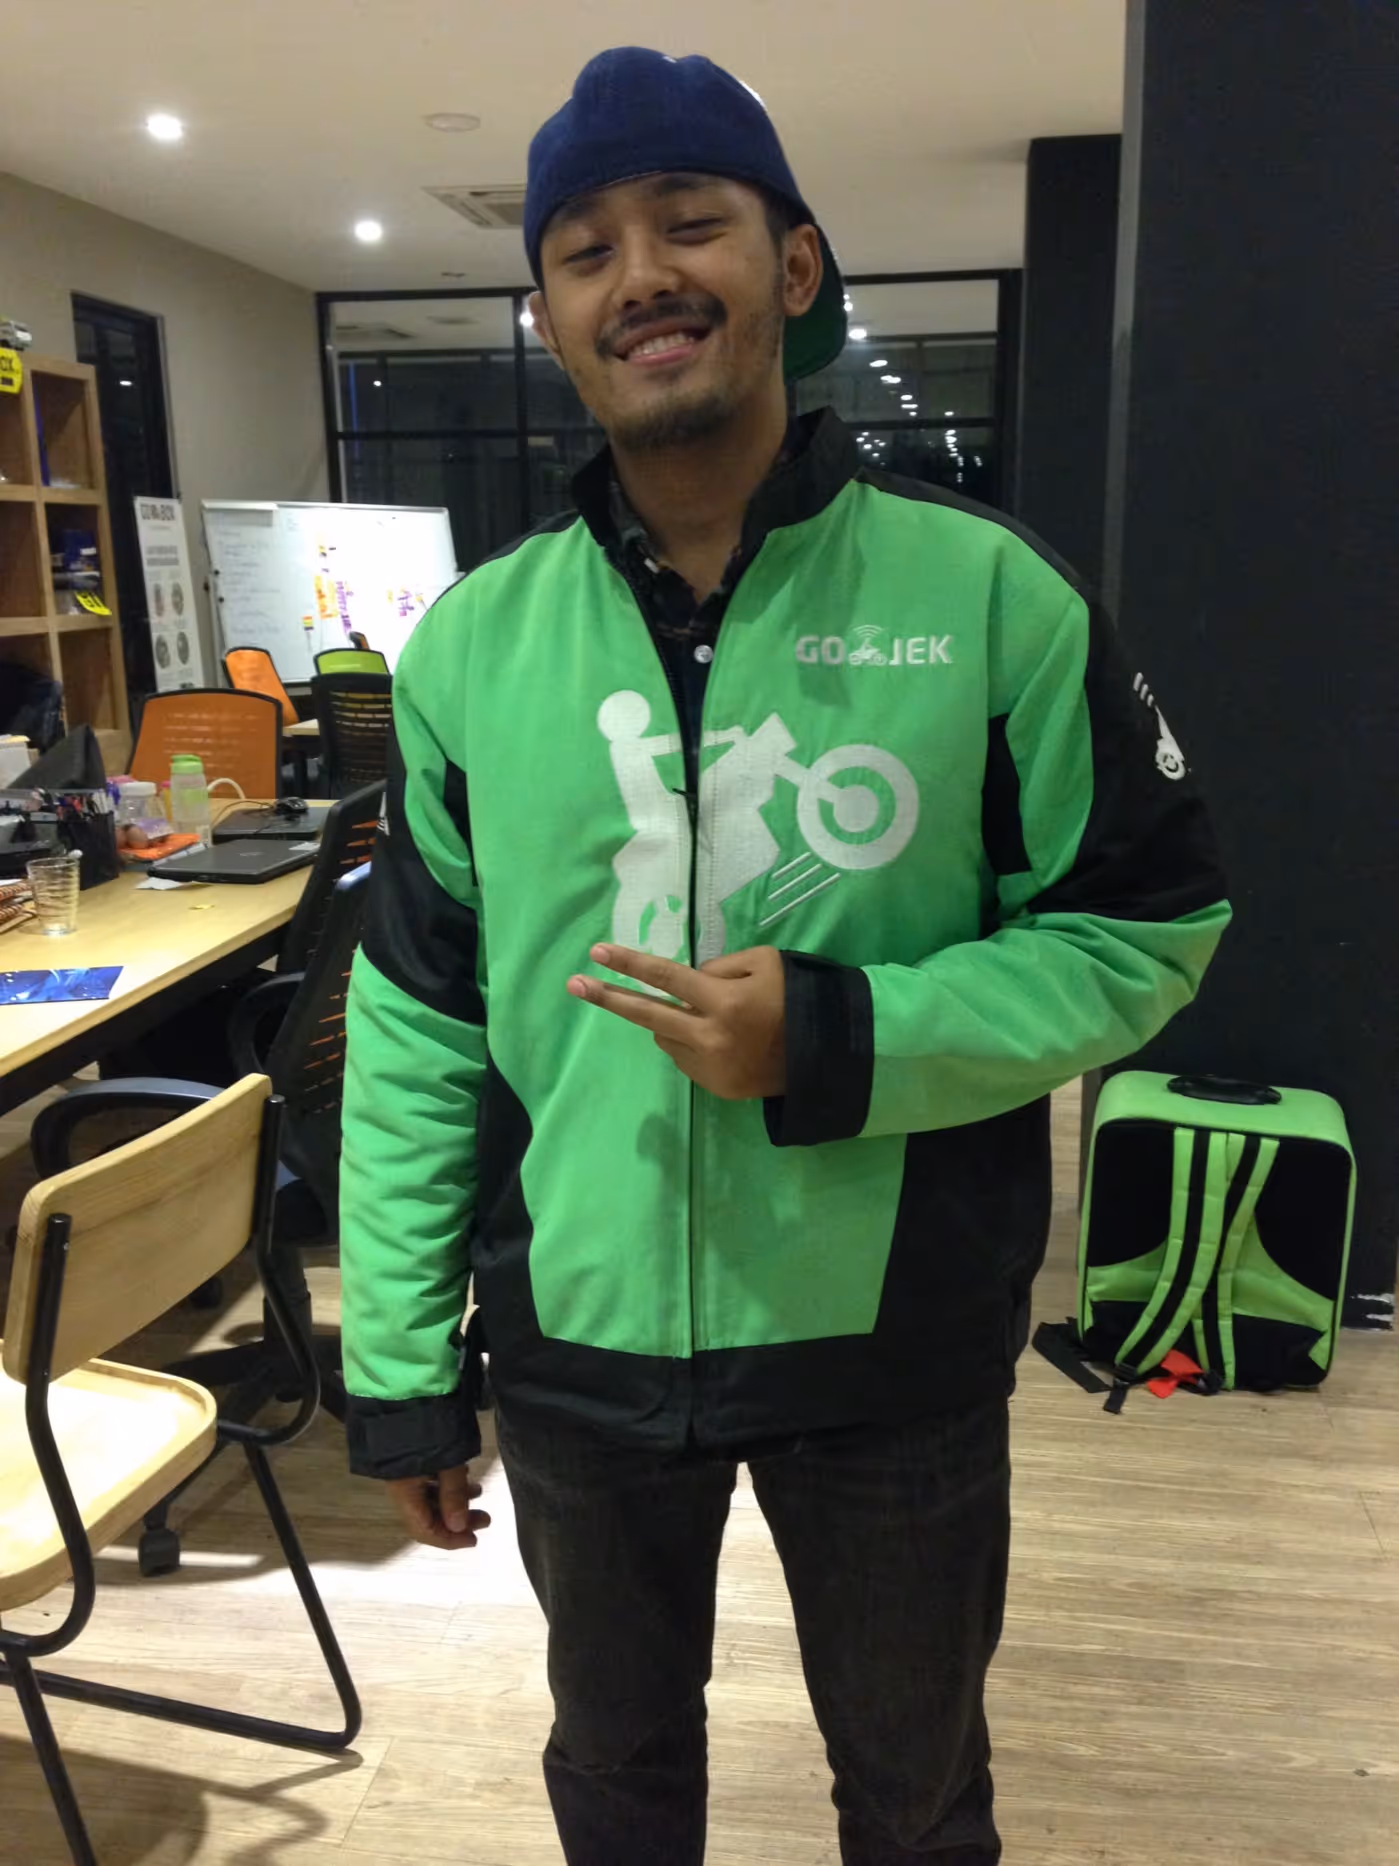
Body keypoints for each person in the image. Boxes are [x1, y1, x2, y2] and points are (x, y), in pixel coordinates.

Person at [339, 46, 1230, 1866]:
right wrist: (406, 1365)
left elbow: (1148, 929)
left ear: (793, 269)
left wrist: (843, 1033)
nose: (641, 273)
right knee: (614, 1777)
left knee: (913, 1801)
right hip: (576, 1342)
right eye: (586, 248)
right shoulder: (467, 651)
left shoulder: (989, 597)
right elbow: (421, 1023)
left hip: (887, 1350)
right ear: (548, 316)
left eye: (691, 225)